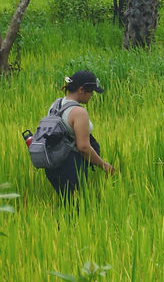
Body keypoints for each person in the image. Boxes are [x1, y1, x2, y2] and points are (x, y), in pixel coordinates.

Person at [44, 70, 114, 200]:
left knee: (68, 205)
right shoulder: (79, 112)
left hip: (53, 164)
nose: (92, 95)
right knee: (77, 210)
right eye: (91, 91)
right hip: (71, 166)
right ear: (81, 89)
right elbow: (83, 148)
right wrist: (105, 166)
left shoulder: (56, 104)